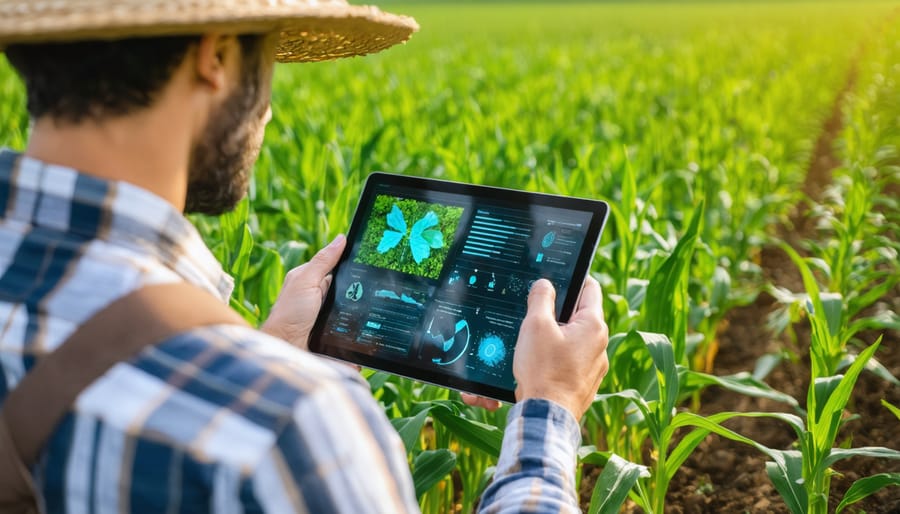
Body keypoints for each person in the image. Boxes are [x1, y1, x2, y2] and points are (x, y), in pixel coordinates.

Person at [0, 0, 610, 512]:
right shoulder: (290, 428)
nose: (265, 105)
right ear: (215, 57)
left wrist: (274, 350)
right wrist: (549, 406)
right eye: (266, 58)